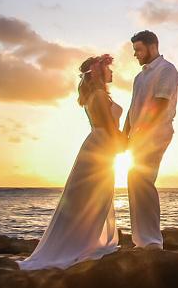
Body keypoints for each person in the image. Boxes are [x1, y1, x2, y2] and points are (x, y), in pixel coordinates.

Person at [18, 54, 126, 270]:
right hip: (101, 145)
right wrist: (124, 143)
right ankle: (79, 244)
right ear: (99, 72)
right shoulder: (98, 96)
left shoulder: (97, 95)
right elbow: (108, 126)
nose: (112, 72)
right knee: (93, 194)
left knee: (92, 194)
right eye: (109, 69)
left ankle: (84, 239)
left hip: (98, 143)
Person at [123, 30, 178, 249]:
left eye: (138, 49)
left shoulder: (167, 70)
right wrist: (124, 133)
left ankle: (152, 241)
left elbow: (160, 103)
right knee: (134, 180)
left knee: (143, 180)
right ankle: (141, 239)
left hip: (156, 133)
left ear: (152, 47)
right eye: (134, 50)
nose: (136, 54)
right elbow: (132, 108)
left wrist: (142, 131)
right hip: (138, 135)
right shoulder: (140, 77)